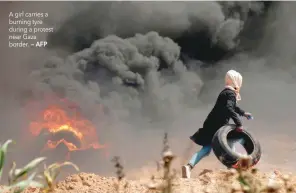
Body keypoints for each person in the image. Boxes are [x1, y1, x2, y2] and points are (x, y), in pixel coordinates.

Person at [181, 69, 253, 179]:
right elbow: (230, 107)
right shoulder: (231, 94)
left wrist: (243, 113)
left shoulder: (225, 92)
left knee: (206, 149)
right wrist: (239, 123)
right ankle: (235, 170)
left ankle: (189, 166)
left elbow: (232, 107)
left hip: (211, 123)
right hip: (219, 126)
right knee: (232, 143)